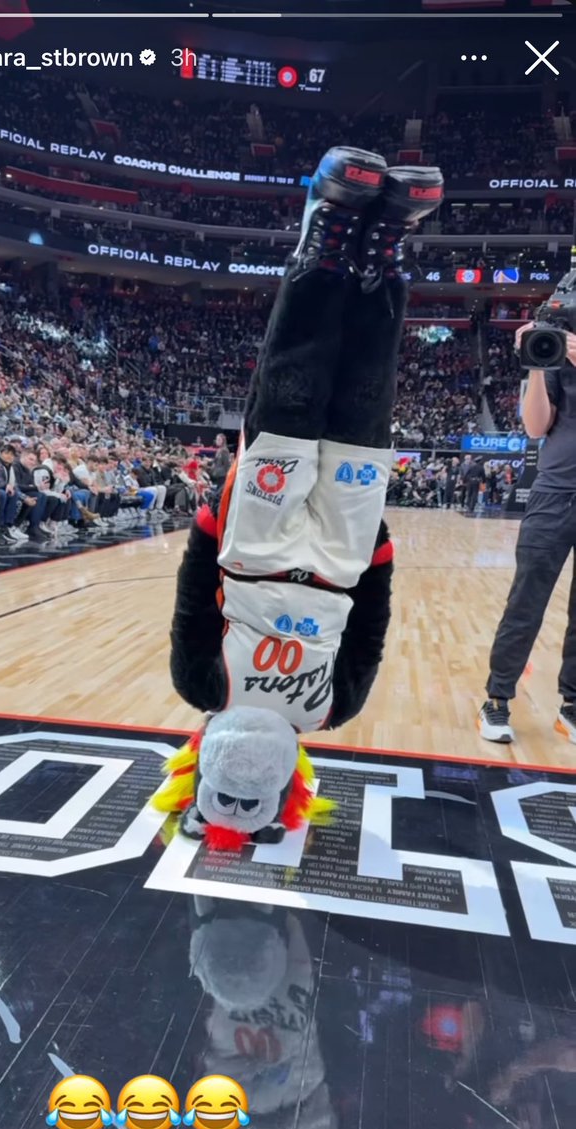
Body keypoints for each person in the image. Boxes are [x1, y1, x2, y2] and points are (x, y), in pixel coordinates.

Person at [156, 145, 443, 846]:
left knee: (292, 383)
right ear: (288, 788)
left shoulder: (202, 688)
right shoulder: (330, 711)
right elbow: (368, 632)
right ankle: (381, 253)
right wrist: (377, 555)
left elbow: (195, 599)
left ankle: (332, 233)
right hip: (339, 561)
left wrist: (207, 522)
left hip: (256, 547)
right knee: (362, 401)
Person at [479, 319, 576, 744]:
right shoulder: (558, 357)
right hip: (554, 494)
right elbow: (537, 427)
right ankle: (497, 700)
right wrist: (537, 364)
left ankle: (571, 707)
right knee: (525, 603)